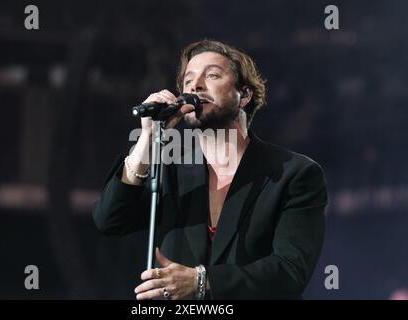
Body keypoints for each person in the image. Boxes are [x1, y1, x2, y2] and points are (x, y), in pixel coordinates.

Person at [93, 40, 328, 300]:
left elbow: (290, 272)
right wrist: (147, 139)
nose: (195, 85)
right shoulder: (170, 171)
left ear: (245, 95)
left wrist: (201, 281)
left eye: (212, 75)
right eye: (188, 80)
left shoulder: (294, 174)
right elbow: (110, 219)